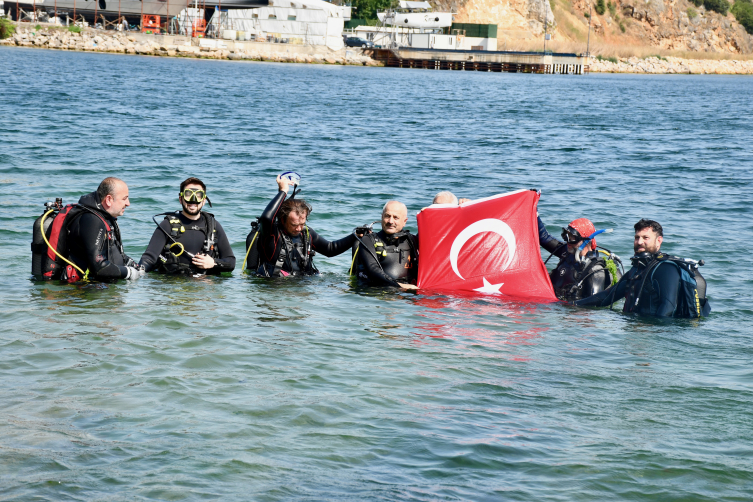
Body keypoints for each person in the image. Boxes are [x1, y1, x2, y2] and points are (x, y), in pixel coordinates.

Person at [574, 219, 711, 318]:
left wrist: (649, 331)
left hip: (655, 336)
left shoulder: (666, 268)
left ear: (659, 241)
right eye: (637, 237)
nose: (639, 242)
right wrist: (572, 305)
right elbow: (607, 297)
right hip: (637, 331)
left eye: (645, 238)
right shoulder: (637, 269)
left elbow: (668, 307)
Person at [255, 174, 356, 277]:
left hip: (303, 283)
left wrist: (355, 236)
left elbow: (330, 249)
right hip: (279, 287)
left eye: (302, 224)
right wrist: (283, 190)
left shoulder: (306, 232)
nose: (299, 228)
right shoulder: (272, 233)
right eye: (294, 225)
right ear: (282, 220)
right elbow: (266, 218)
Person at [139, 177, 235, 275]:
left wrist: (214, 263)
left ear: (204, 200)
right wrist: (138, 272)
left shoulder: (213, 226)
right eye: (188, 194)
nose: (193, 200)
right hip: (174, 285)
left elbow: (231, 262)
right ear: (181, 199)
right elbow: (149, 258)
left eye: (198, 195)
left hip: (205, 287)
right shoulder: (167, 225)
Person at [67, 177, 144, 281]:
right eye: (124, 198)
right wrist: (128, 273)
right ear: (109, 199)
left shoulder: (104, 216)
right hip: (82, 291)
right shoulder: (91, 220)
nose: (128, 203)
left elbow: (109, 250)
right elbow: (99, 267)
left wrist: (130, 263)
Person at [547, 218, 622, 301]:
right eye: (566, 235)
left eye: (572, 237)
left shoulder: (595, 271)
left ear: (586, 241)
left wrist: (562, 306)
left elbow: (593, 305)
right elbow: (543, 237)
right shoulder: (567, 253)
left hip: (568, 311)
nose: (568, 241)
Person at [352, 200, 419, 289]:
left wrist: (431, 211)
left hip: (406, 295)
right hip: (377, 292)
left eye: (396, 217)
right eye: (387, 216)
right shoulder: (368, 240)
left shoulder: (413, 241)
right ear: (382, 217)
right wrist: (401, 286)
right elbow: (373, 271)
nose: (390, 221)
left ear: (405, 221)